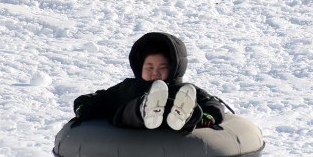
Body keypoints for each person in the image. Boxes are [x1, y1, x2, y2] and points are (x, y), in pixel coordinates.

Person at [71, 32, 226, 134]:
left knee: (190, 108)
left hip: (176, 126)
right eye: (149, 67)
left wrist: (208, 116)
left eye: (162, 67)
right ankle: (146, 107)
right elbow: (101, 99)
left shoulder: (184, 90)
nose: (155, 72)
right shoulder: (129, 88)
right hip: (135, 121)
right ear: (140, 67)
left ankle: (183, 113)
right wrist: (84, 106)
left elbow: (212, 103)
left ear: (174, 69)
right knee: (129, 109)